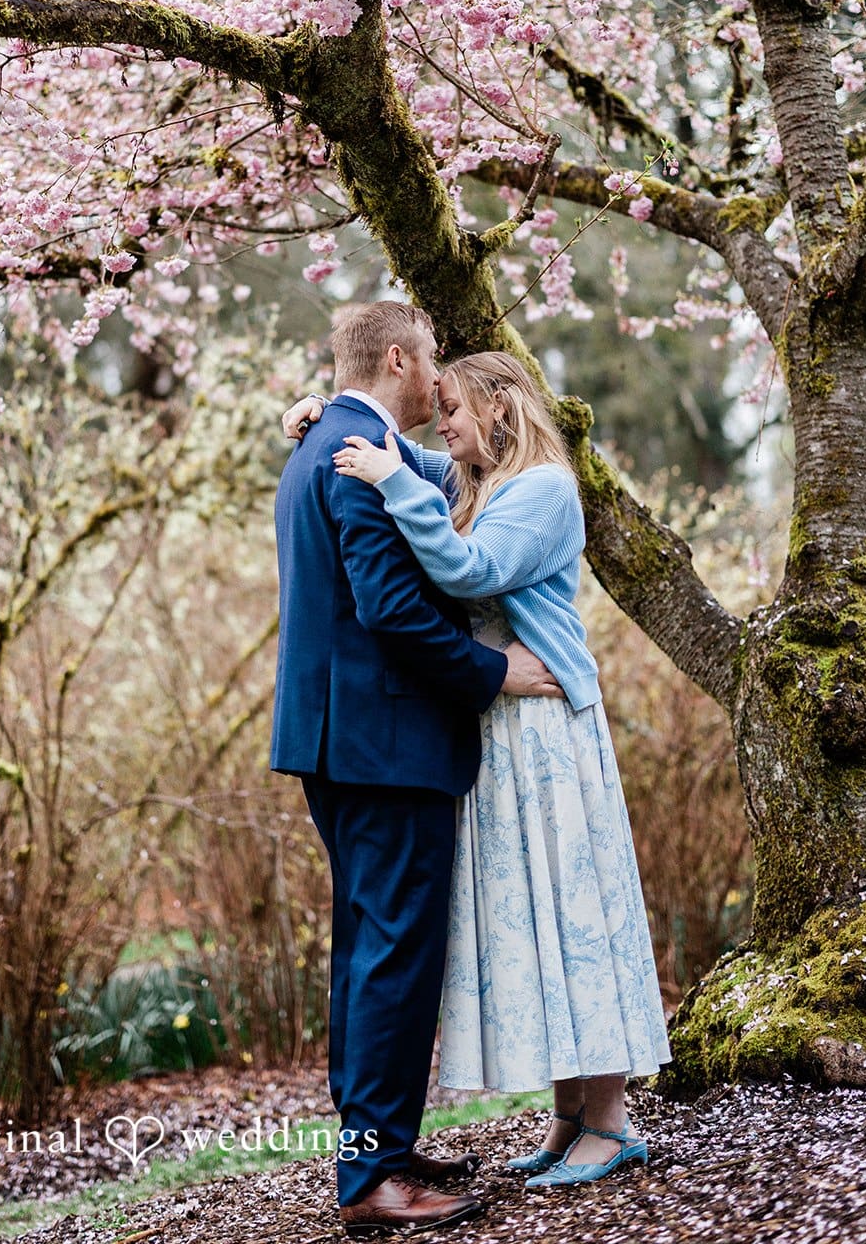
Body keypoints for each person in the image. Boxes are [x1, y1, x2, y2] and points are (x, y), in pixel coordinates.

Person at [291, 348, 670, 1188]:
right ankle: (567, 1119)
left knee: (573, 914)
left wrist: (390, 480)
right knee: (533, 917)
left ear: (500, 409)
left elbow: (475, 570)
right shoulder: (475, 480)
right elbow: (406, 452)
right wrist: (331, 412)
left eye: (456, 408)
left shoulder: (541, 492)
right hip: (499, 724)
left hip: (545, 724)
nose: (443, 422)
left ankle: (610, 1121)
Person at [271, 305, 563, 1237]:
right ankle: (373, 1181)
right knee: (393, 956)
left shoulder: (327, 441)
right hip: (384, 744)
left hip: (339, 739)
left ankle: (376, 1153)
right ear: (396, 355)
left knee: (369, 954)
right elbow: (392, 609)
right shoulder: (354, 454)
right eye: (429, 361)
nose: (435, 382)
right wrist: (493, 671)